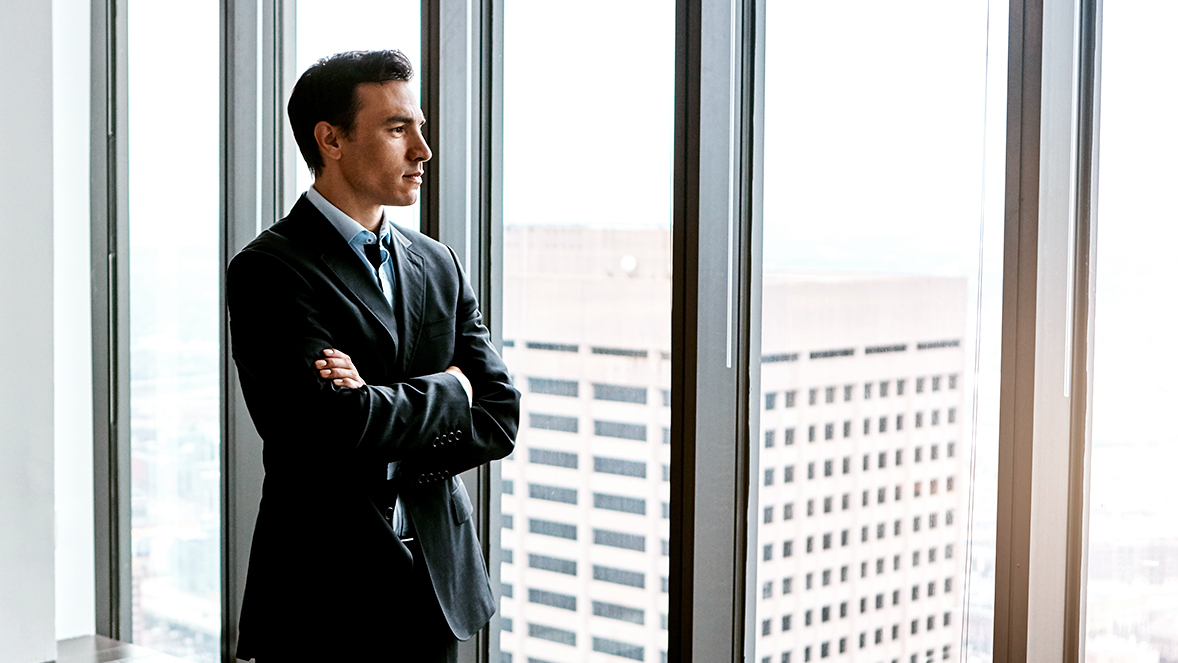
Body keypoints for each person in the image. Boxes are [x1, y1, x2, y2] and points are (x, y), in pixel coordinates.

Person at [226, 49, 519, 662]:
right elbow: (330, 426)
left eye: (420, 127)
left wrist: (378, 409)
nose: (423, 150)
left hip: (437, 582)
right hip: (323, 592)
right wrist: (451, 389)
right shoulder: (269, 270)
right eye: (396, 129)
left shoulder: (436, 262)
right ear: (331, 139)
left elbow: (498, 414)